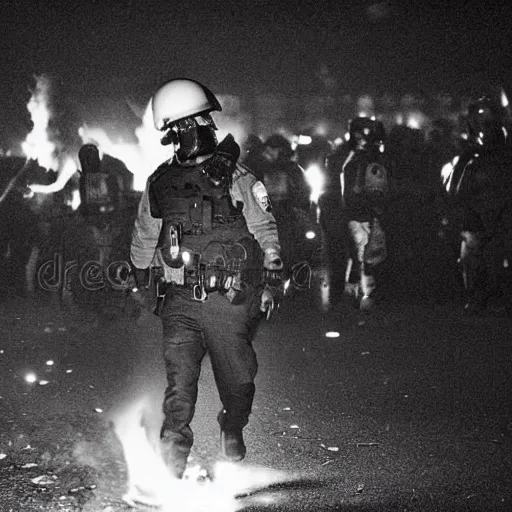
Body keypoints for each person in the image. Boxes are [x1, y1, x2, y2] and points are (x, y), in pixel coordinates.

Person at [130, 78, 283, 478]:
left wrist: (271, 280)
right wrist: (141, 283)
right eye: (182, 127)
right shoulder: (160, 181)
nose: (192, 133)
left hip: (228, 302)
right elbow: (144, 235)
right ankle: (171, 465)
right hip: (179, 301)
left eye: (195, 123)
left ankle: (232, 424)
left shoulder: (238, 178)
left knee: (239, 383)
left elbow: (265, 230)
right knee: (179, 390)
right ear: (172, 134)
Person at [444, 94, 512, 315]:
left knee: (495, 263)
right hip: (476, 221)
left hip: (499, 219)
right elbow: (455, 190)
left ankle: (494, 300)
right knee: (473, 263)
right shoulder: (468, 157)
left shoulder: (502, 155)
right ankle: (477, 299)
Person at [339, 117, 392, 312]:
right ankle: (365, 295)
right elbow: (359, 190)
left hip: (359, 214)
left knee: (361, 256)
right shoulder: (361, 160)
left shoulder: (355, 158)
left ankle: (355, 294)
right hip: (362, 215)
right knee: (365, 256)